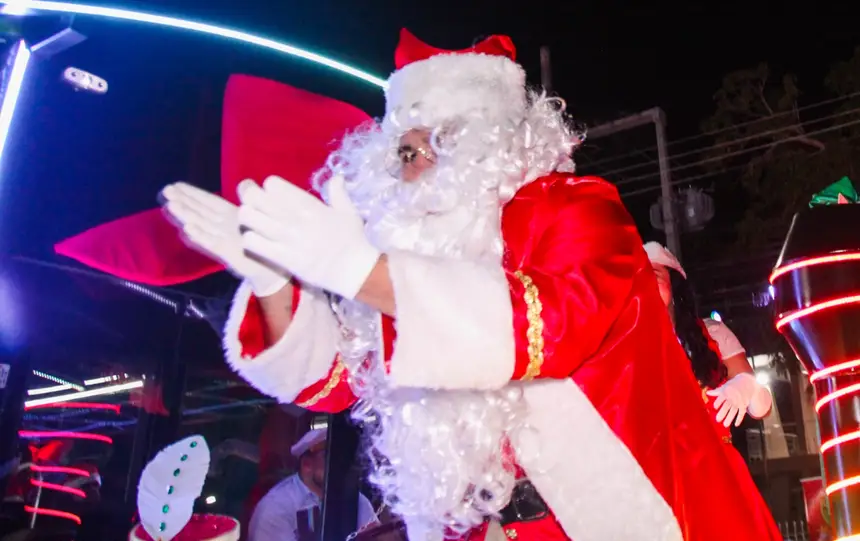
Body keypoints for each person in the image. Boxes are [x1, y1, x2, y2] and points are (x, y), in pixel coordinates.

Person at [162, 28, 784, 541]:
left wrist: (354, 269)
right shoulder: (408, 259)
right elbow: (335, 378)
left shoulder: (576, 208)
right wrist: (271, 276)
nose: (425, 165)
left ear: (499, 142)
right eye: (409, 152)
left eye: (448, 139)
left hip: (646, 517)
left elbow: (546, 327)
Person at [644, 242, 781, 540]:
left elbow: (762, 407)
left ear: (674, 284)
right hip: (661, 486)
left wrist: (746, 387)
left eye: (653, 274)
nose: (645, 283)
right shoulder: (629, 350)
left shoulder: (712, 334)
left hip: (718, 478)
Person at [247, 428, 377, 541]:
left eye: (342, 456)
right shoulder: (277, 507)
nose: (338, 464)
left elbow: (376, 536)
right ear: (307, 464)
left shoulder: (356, 500)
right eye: (329, 456)